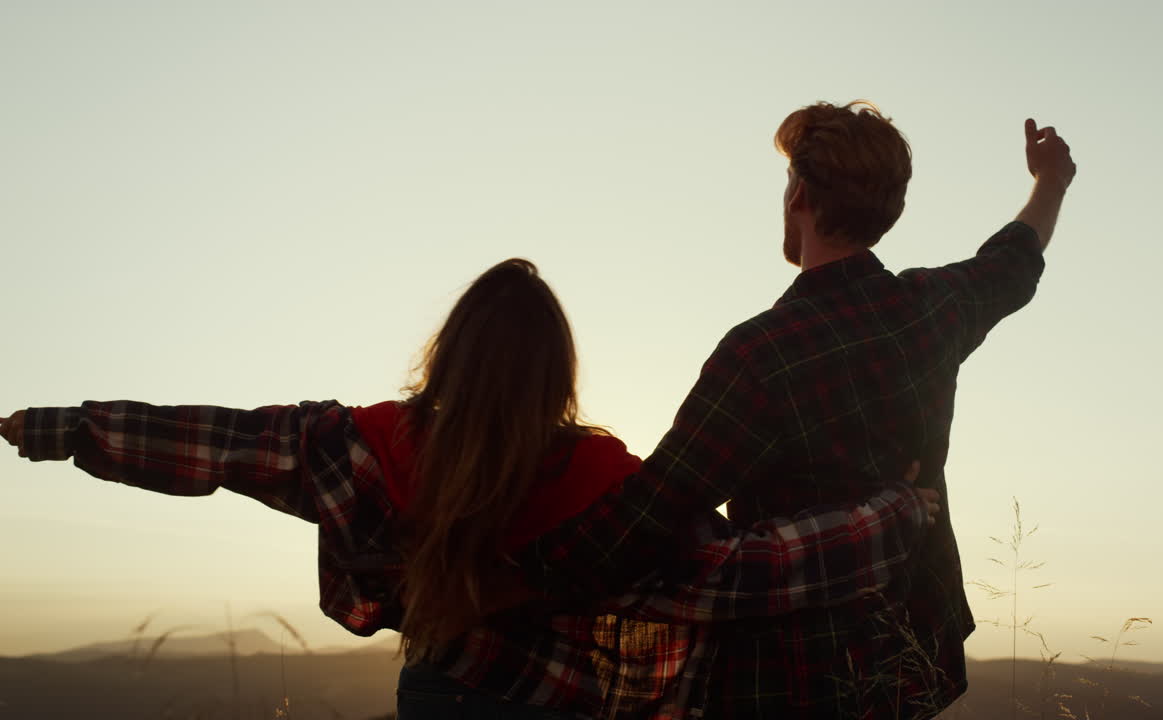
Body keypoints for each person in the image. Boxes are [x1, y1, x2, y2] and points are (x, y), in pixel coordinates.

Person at [1, 258, 942, 719]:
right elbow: (750, 571)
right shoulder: (600, 481)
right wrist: (897, 512)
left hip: (441, 696)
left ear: (449, 352)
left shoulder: (369, 448)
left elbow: (214, 443)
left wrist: (56, 429)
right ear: (558, 373)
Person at [481, 104, 1076, 719]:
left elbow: (651, 508)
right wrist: (1049, 182)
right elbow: (1015, 260)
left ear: (799, 194)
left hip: (795, 674)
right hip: (912, 659)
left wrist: (513, 577)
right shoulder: (932, 310)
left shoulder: (763, 353)